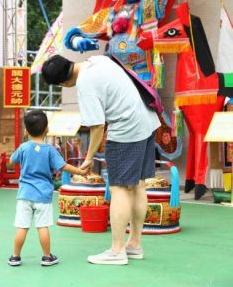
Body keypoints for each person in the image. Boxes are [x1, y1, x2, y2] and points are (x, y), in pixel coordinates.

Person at [63, 0, 186, 159]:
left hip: (142, 81)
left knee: (146, 127)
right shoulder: (111, 14)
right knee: (116, 135)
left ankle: (146, 167)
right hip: (113, 85)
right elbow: (75, 32)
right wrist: (79, 42)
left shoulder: (149, 8)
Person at [41, 54, 161, 266]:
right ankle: (134, 244)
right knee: (138, 185)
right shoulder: (98, 60)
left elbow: (97, 126)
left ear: (62, 83)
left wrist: (88, 159)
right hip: (147, 120)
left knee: (120, 188)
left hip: (127, 130)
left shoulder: (84, 85)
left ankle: (117, 251)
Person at [8, 109, 89, 267]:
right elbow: (63, 166)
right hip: (43, 196)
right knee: (42, 226)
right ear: (47, 129)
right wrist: (80, 171)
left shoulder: (24, 147)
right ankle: (46, 257)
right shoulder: (50, 150)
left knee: (22, 226)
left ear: (26, 130)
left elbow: (11, 160)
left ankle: (15, 257)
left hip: (24, 195)